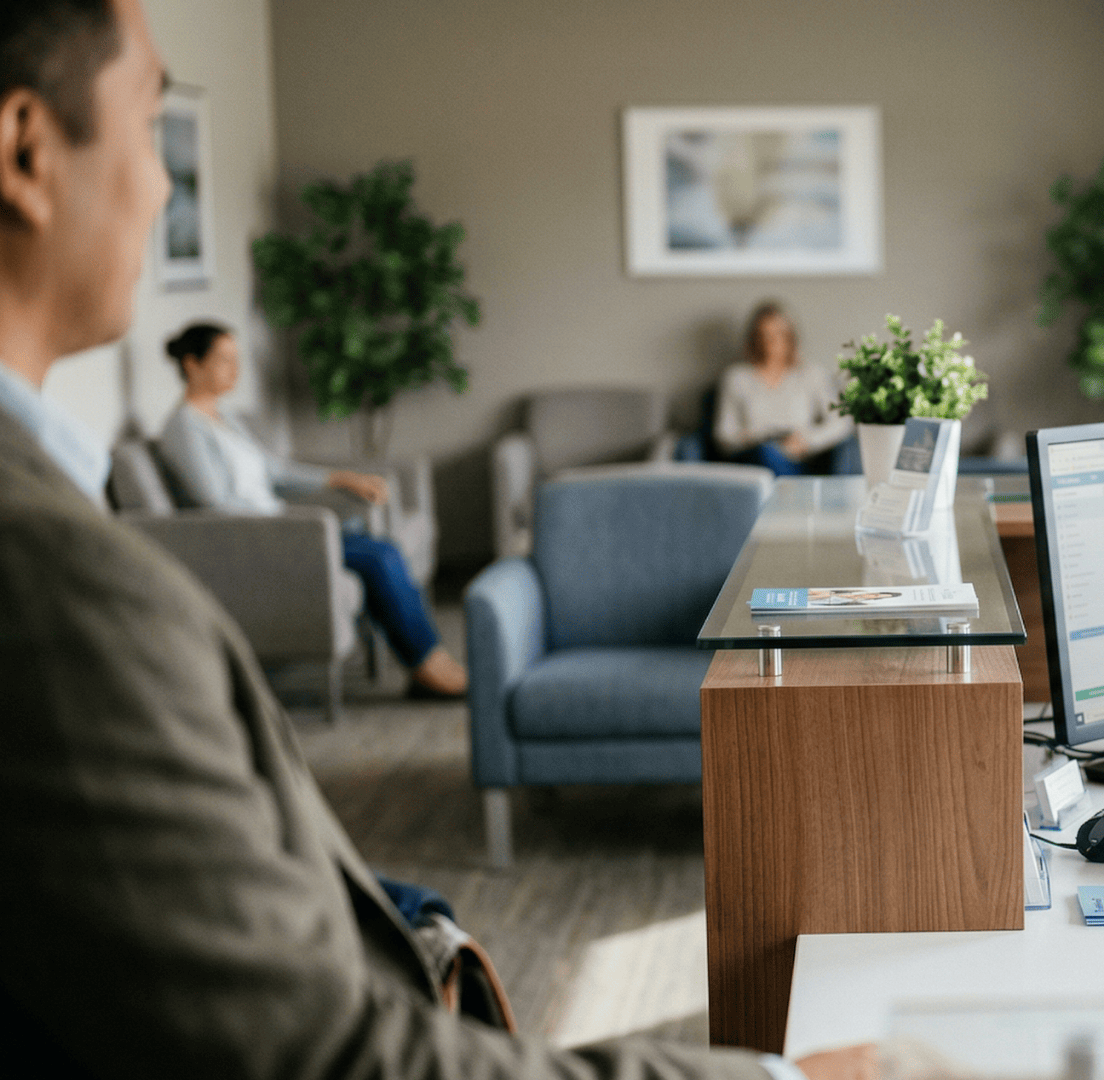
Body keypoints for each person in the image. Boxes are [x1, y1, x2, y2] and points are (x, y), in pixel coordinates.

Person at [0, 2, 874, 1076]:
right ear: (26, 151)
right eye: (148, 126)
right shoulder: (57, 580)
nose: (166, 183)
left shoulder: (61, 507)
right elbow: (319, 1052)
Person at [155, 321, 468, 697]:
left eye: (236, 359)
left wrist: (344, 478)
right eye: (224, 360)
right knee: (380, 555)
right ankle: (426, 667)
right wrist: (290, 521)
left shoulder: (226, 420)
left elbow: (277, 471)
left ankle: (427, 660)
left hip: (282, 529)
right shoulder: (184, 429)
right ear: (192, 365)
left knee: (375, 544)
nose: (235, 370)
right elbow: (214, 502)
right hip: (262, 539)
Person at [714, 301, 852, 475]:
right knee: (765, 453)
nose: (770, 342)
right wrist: (747, 438)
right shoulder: (737, 377)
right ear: (754, 339)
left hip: (795, 460)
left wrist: (807, 441)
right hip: (752, 457)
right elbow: (723, 435)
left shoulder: (811, 374)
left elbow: (841, 423)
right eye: (763, 335)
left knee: (775, 458)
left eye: (778, 334)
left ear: (790, 337)